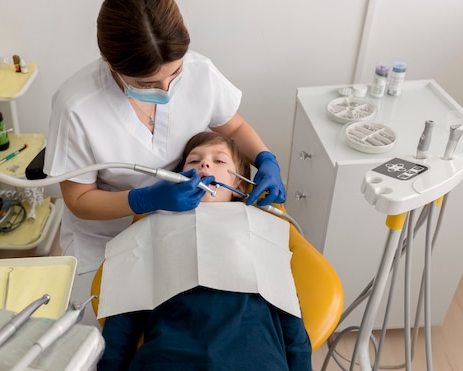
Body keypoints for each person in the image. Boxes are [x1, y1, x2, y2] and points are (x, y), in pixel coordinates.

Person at [43, 0, 286, 325]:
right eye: (146, 84)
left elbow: (232, 126)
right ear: (108, 60)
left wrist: (266, 158)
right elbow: (79, 200)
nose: (166, 89)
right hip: (109, 241)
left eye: (175, 73)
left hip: (182, 229)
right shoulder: (77, 106)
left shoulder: (200, 71)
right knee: (105, 337)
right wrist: (144, 200)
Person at [97, 131, 311, 370]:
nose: (205, 163)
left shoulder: (260, 227)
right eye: (193, 161)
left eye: (219, 161)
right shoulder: (151, 226)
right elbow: (123, 315)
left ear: (238, 184)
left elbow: (289, 313)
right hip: (169, 355)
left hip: (252, 353)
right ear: (177, 178)